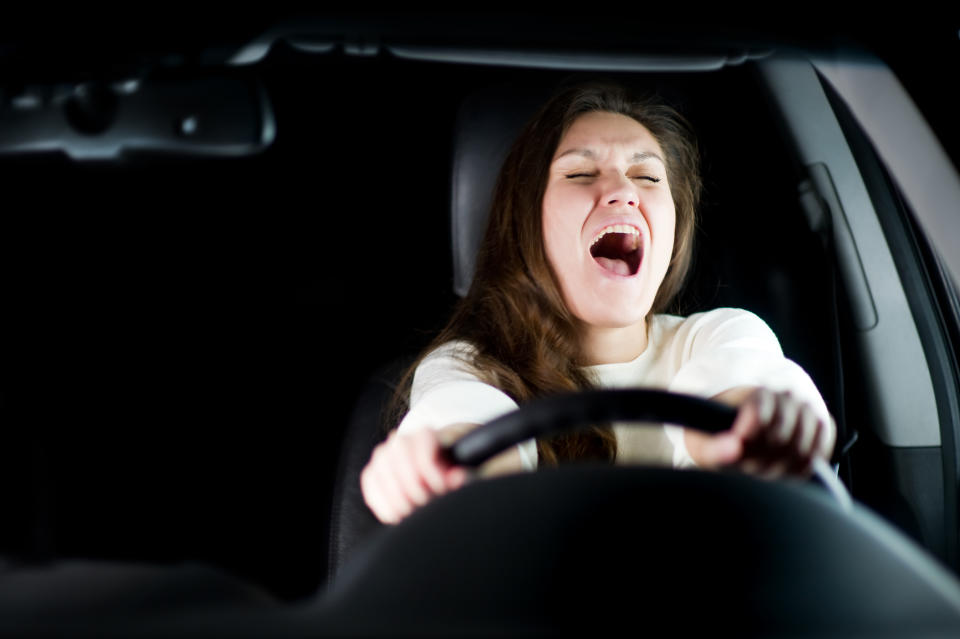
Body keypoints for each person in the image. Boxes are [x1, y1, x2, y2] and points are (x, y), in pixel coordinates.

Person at [361, 81, 837, 525]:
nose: (624, 192)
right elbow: (463, 422)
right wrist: (434, 466)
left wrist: (762, 427)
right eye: (581, 172)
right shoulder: (469, 366)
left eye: (648, 177)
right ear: (528, 223)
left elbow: (742, 387)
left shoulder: (719, 336)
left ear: (673, 229)